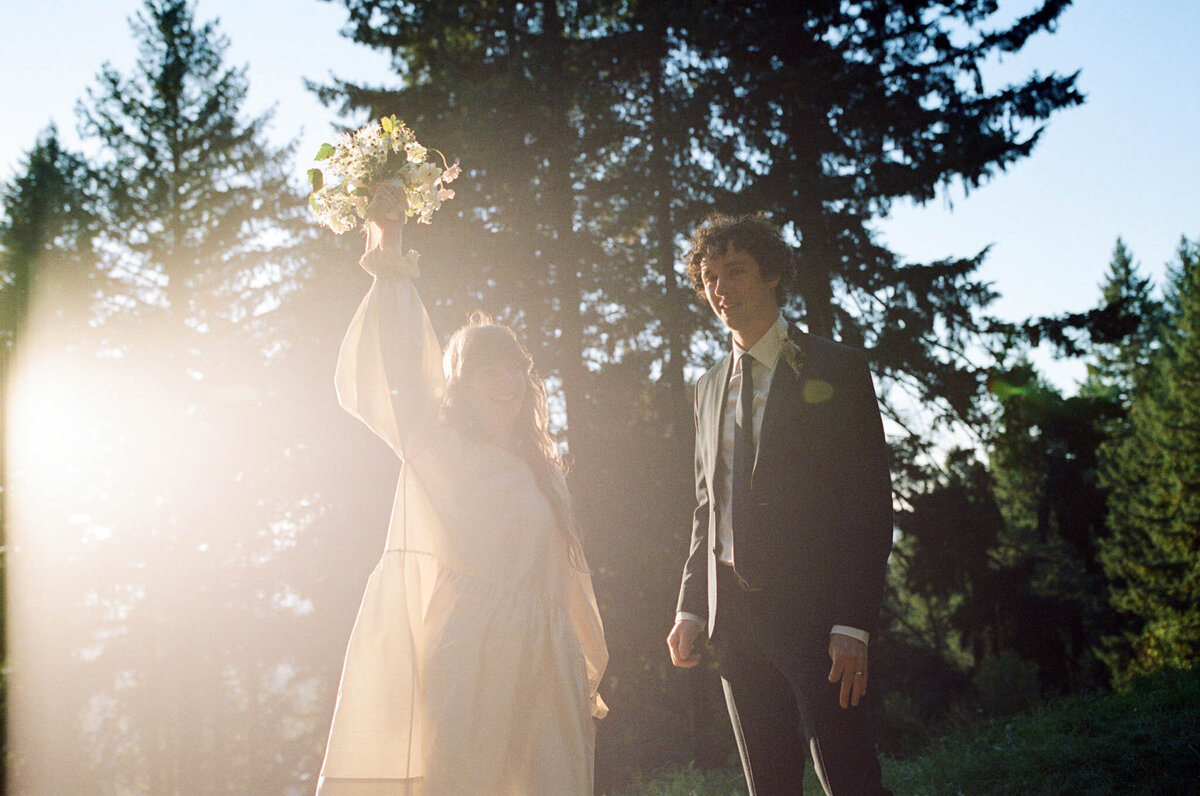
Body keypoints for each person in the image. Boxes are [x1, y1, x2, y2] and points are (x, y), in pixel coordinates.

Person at [317, 188, 608, 795]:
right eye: (486, 370)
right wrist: (389, 246)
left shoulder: (544, 470)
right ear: (463, 384)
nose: (504, 382)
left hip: (547, 657)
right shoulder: (439, 447)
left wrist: (585, 672)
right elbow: (400, 363)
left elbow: (568, 577)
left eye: (513, 368)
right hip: (470, 654)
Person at [666, 214, 893, 795]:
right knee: (767, 782)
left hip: (820, 618)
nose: (720, 287)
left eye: (735, 271)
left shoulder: (837, 368)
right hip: (733, 621)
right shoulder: (708, 385)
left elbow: (866, 505)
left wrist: (853, 623)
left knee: (850, 777)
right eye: (710, 276)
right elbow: (705, 508)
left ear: (771, 275)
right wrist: (691, 608)